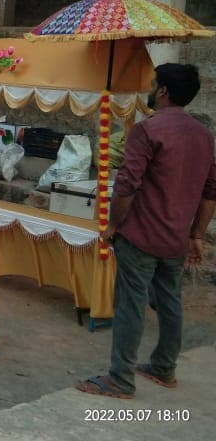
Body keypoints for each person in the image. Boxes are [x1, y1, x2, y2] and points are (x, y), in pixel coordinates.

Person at [77, 63, 216, 399]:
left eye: (154, 85)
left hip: (141, 236)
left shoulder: (149, 129)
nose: (151, 90)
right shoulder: (203, 135)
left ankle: (120, 379)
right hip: (177, 238)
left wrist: (112, 225)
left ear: (164, 91)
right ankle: (164, 367)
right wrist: (196, 234)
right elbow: (210, 191)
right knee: (170, 302)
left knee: (130, 304)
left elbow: (126, 186)